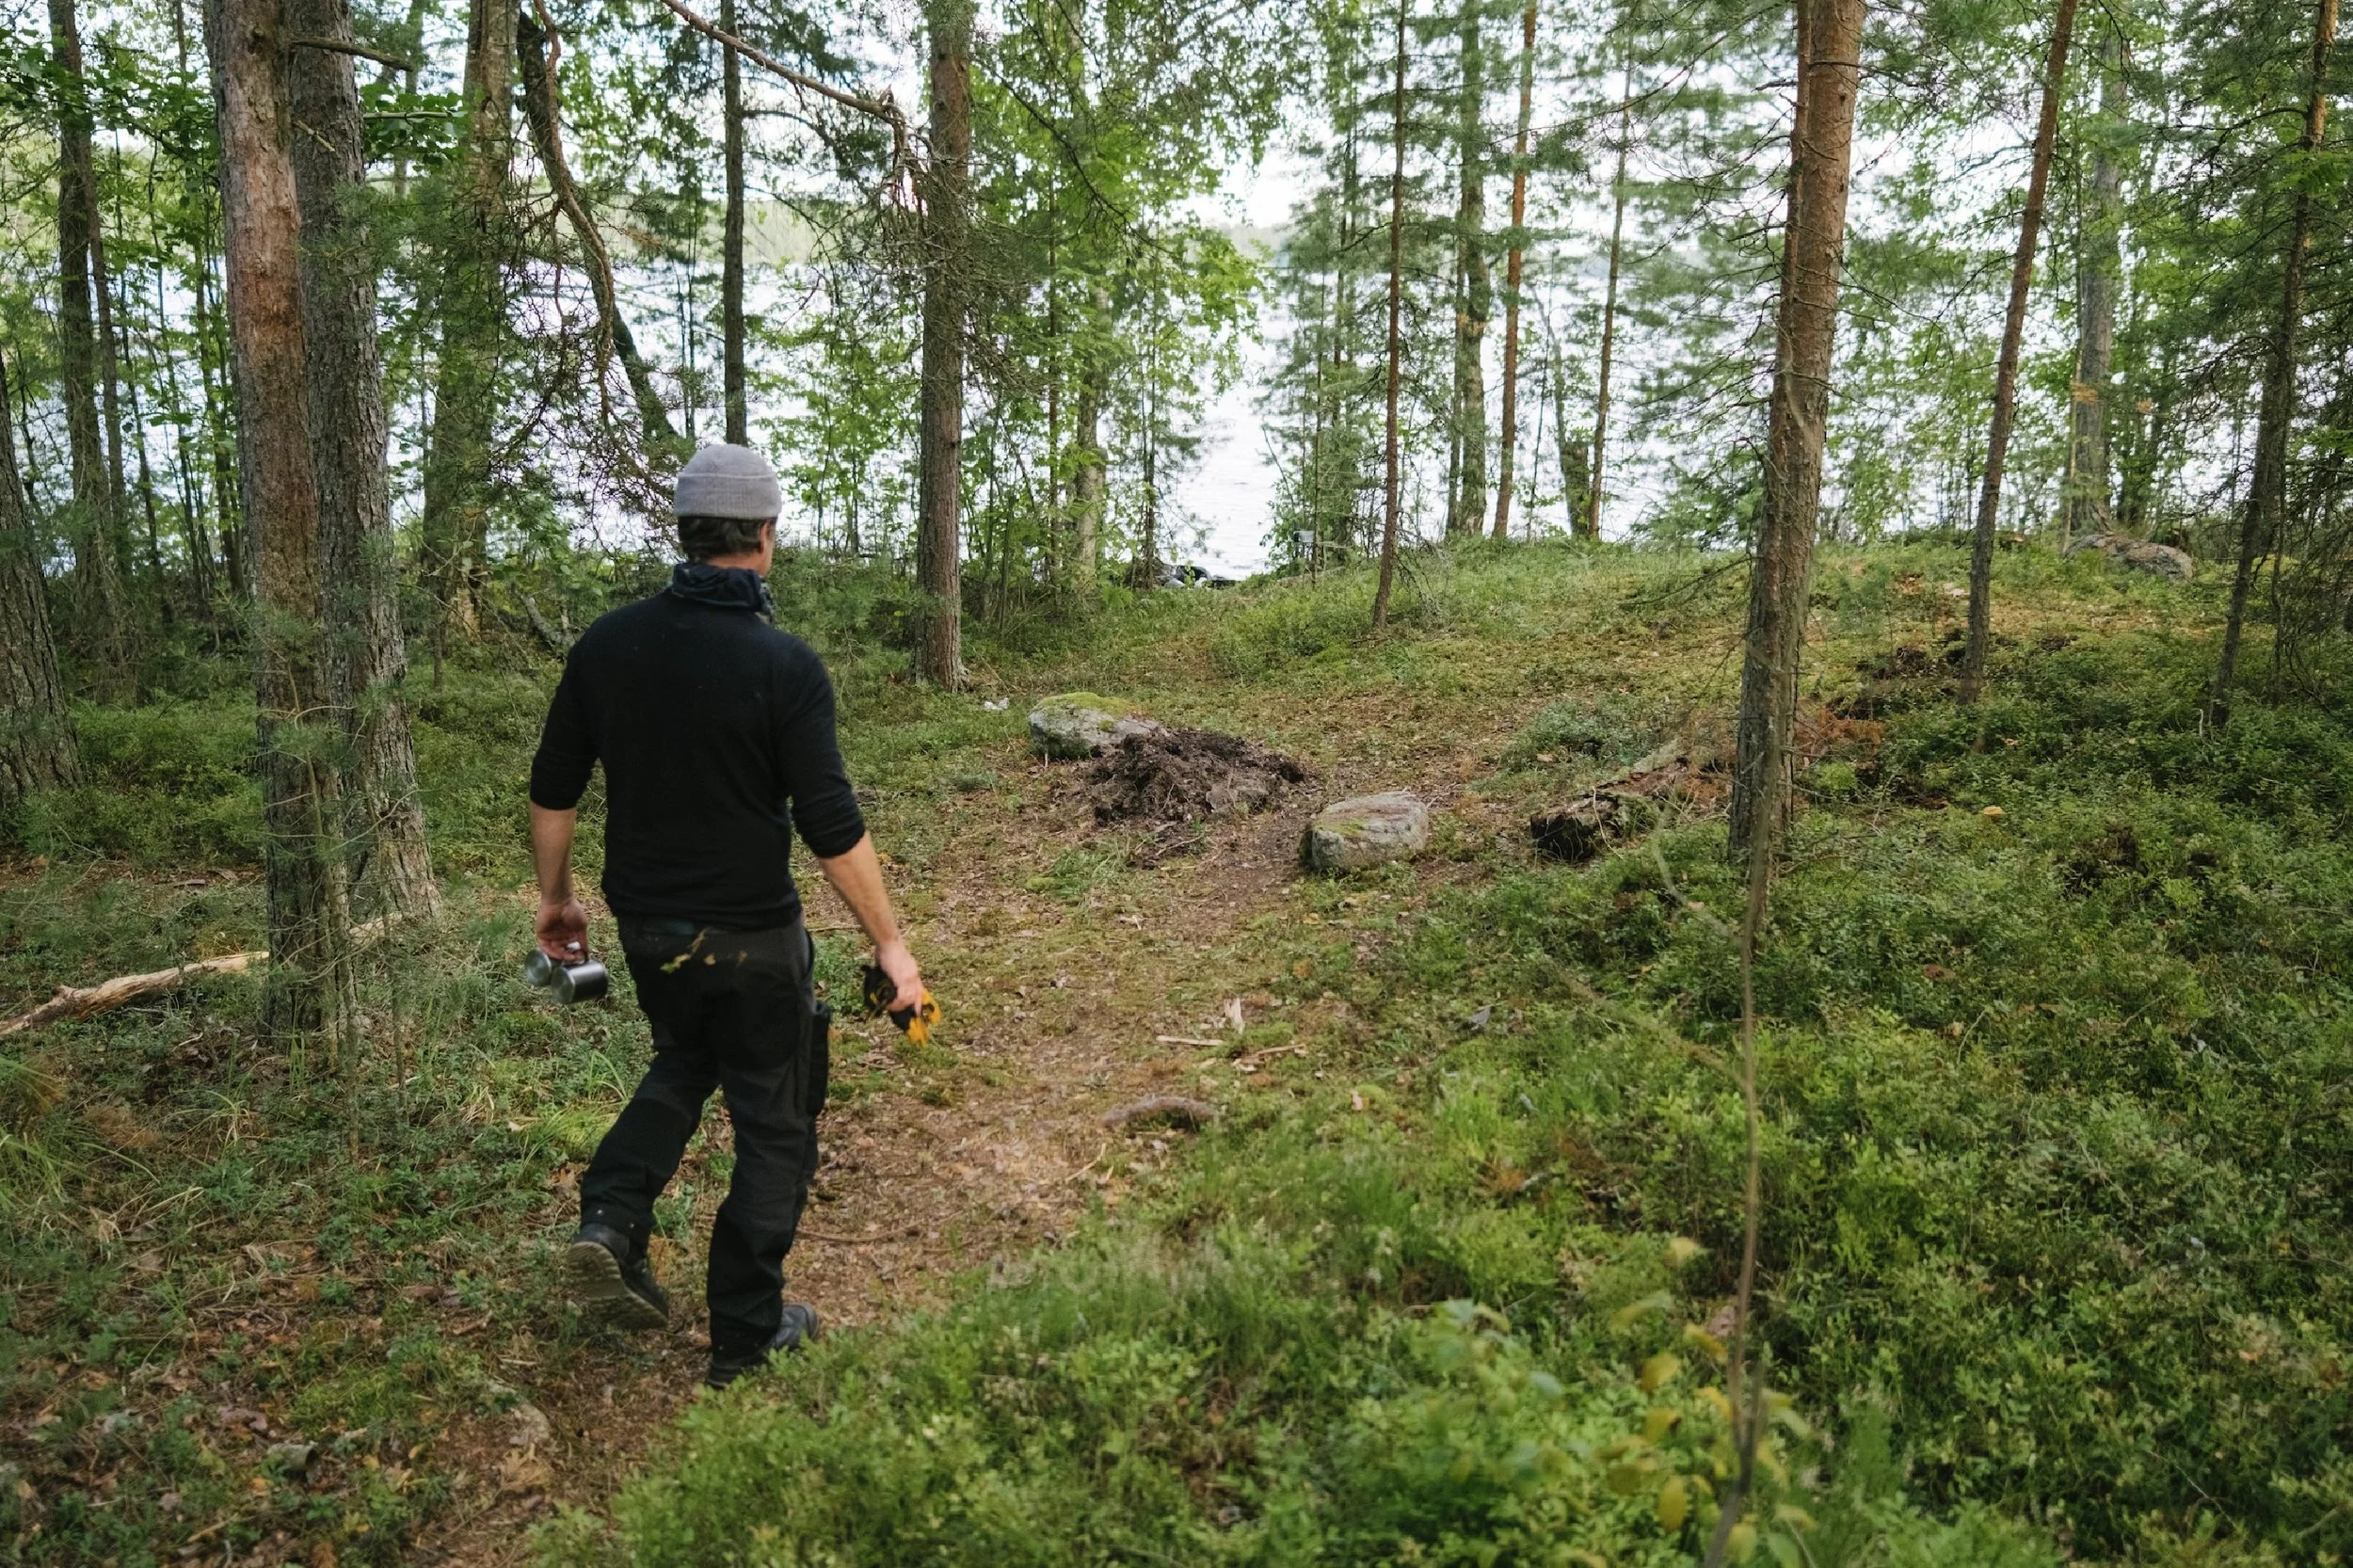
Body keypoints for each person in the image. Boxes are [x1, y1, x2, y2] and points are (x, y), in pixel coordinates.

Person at [526, 443, 923, 1388]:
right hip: (752, 940)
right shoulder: (783, 664)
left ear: (686, 533)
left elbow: (553, 787)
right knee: (776, 1124)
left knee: (684, 1059)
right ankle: (745, 1335)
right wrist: (892, 946)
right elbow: (830, 825)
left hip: (650, 930)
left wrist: (556, 898)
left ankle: (611, 1216)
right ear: (764, 535)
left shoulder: (607, 646)